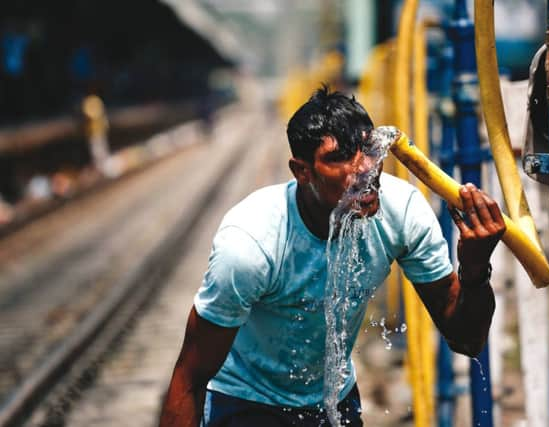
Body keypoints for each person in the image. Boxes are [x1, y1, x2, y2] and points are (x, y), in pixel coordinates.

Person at [159, 87, 505, 427]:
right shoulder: (252, 244)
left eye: (369, 150)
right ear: (302, 171)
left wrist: (475, 269)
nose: (364, 169)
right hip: (247, 402)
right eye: (338, 158)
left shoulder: (402, 213)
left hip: (333, 401)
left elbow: (467, 340)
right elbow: (190, 377)